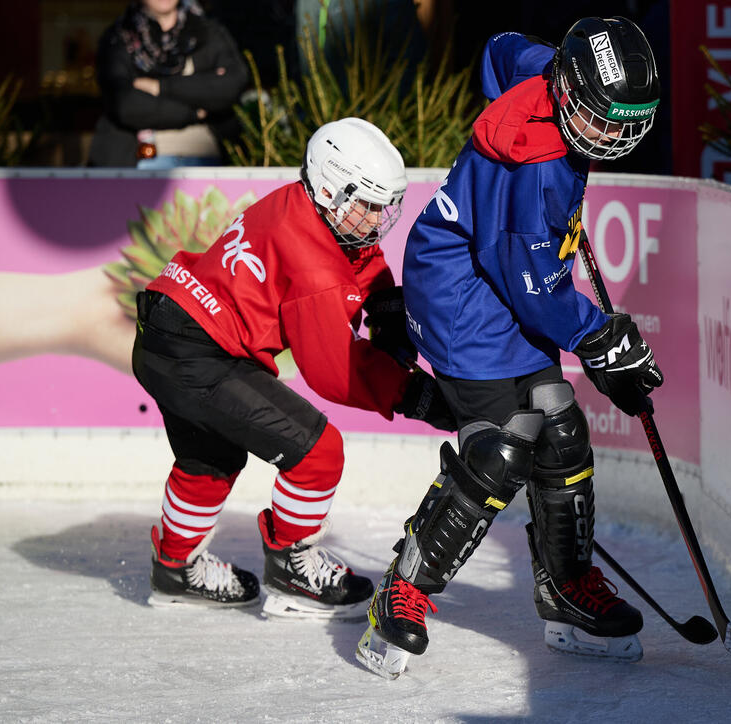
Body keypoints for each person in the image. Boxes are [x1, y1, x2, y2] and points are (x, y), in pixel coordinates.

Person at [356, 17, 663, 678]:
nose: (606, 137)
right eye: (597, 120)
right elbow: (536, 291)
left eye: (619, 124)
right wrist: (602, 339)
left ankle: (565, 587)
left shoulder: (545, 74)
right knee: (500, 448)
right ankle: (402, 590)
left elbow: (498, 49)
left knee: (561, 425)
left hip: (495, 270)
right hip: (461, 294)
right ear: (568, 92)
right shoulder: (540, 171)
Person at [132, 117, 456, 619]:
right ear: (330, 191)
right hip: (200, 355)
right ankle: (291, 570)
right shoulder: (314, 264)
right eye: (368, 205)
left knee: (209, 460)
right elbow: (336, 372)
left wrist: (383, 302)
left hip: (164, 332)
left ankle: (174, 570)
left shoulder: (299, 203)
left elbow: (355, 255)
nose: (377, 219)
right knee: (316, 452)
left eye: (383, 206)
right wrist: (416, 395)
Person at [88, 0, 248, 167]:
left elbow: (231, 85)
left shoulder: (208, 31)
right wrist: (195, 112)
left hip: (210, 160)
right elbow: (125, 104)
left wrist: (159, 87)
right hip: (141, 161)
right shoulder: (121, 37)